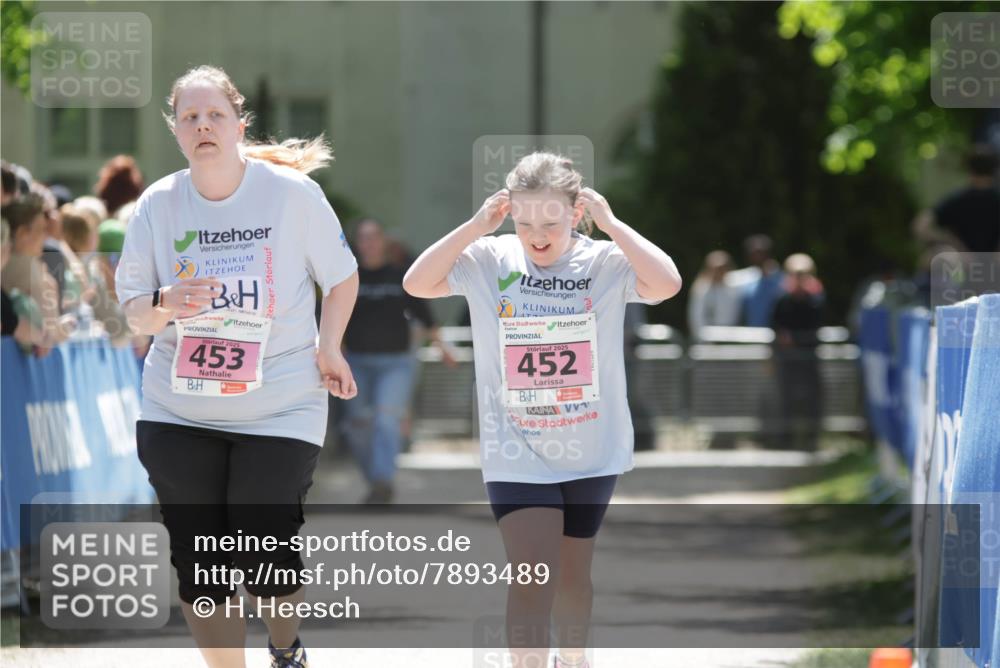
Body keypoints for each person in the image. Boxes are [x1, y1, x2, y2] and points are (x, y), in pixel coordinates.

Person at [115, 64, 359, 668]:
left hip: (280, 403)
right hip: (178, 408)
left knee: (262, 545)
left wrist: (329, 347)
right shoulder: (158, 205)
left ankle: (285, 646)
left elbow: (342, 276)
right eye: (190, 117)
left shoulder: (290, 195)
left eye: (214, 115)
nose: (203, 126)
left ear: (238, 125)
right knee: (201, 561)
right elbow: (133, 314)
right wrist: (165, 305)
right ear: (175, 131)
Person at [403, 152, 682, 668]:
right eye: (525, 220)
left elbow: (666, 285)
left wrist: (615, 226)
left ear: (576, 215)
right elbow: (417, 284)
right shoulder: (490, 257)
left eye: (551, 222)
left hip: (591, 446)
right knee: (532, 575)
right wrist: (474, 226)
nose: (537, 234)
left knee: (573, 577)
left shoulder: (602, 261)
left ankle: (572, 661)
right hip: (516, 448)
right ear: (509, 214)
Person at [341, 218, 455, 503]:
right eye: (364, 237)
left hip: (396, 363)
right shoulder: (346, 277)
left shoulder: (400, 275)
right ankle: (375, 480)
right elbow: (333, 320)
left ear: (383, 241)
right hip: (356, 363)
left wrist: (443, 347)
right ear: (358, 244)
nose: (369, 242)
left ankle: (382, 480)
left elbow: (425, 314)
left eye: (374, 236)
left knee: (386, 419)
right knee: (356, 425)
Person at [770, 253, 825, 451]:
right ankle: (786, 437)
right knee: (786, 398)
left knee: (812, 399)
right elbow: (776, 324)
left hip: (809, 359)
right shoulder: (782, 299)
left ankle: (812, 438)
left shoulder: (815, 299)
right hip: (788, 359)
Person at [914, 144, 1000, 253]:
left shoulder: (957, 199)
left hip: (962, 263)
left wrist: (949, 243)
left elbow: (920, 226)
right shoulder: (996, 198)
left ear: (969, 170)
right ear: (994, 171)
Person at [729, 234, 784, 327]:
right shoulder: (742, 278)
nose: (757, 257)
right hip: (751, 334)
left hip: (774, 334)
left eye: (760, 253)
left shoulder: (781, 279)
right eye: (753, 253)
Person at [687, 249, 743, 340]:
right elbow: (696, 317)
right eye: (716, 268)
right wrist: (703, 337)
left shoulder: (733, 287)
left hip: (729, 337)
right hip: (707, 339)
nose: (719, 271)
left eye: (722, 268)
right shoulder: (701, 289)